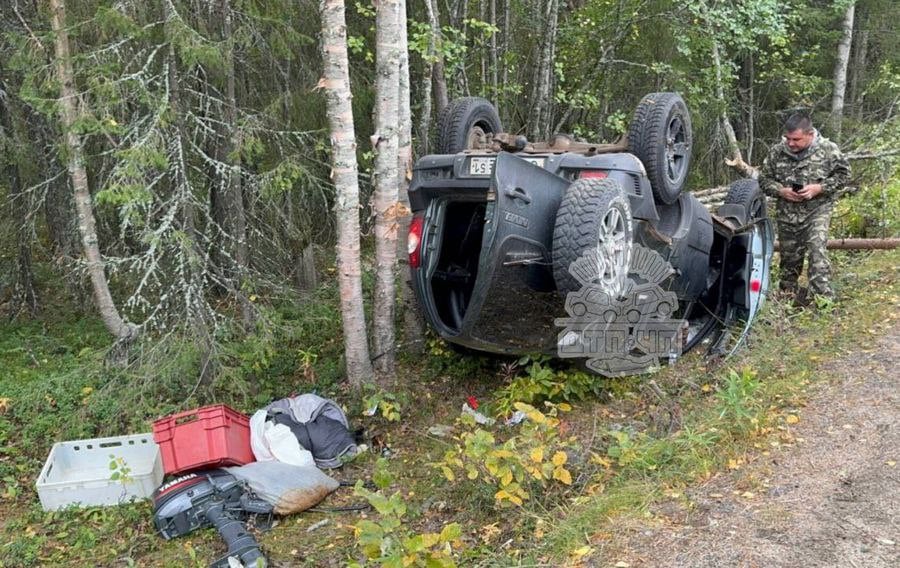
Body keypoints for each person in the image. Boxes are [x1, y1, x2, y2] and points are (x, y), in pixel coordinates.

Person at [758, 114, 850, 304]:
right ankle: (787, 300)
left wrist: (820, 188)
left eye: (796, 139)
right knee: (789, 260)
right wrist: (781, 191)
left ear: (810, 135)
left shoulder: (828, 149)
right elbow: (764, 179)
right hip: (787, 213)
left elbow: (844, 175)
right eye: (788, 138)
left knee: (817, 251)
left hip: (818, 210)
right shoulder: (777, 152)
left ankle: (823, 301)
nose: (790, 143)